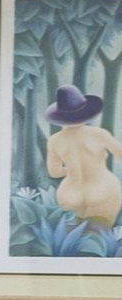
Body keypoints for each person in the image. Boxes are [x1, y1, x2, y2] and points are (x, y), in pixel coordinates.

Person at [49, 85, 122, 232]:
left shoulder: (54, 140)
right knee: (97, 241)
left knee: (74, 241)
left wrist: (72, 168)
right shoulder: (99, 134)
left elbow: (54, 172)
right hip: (103, 190)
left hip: (69, 195)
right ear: (86, 112)